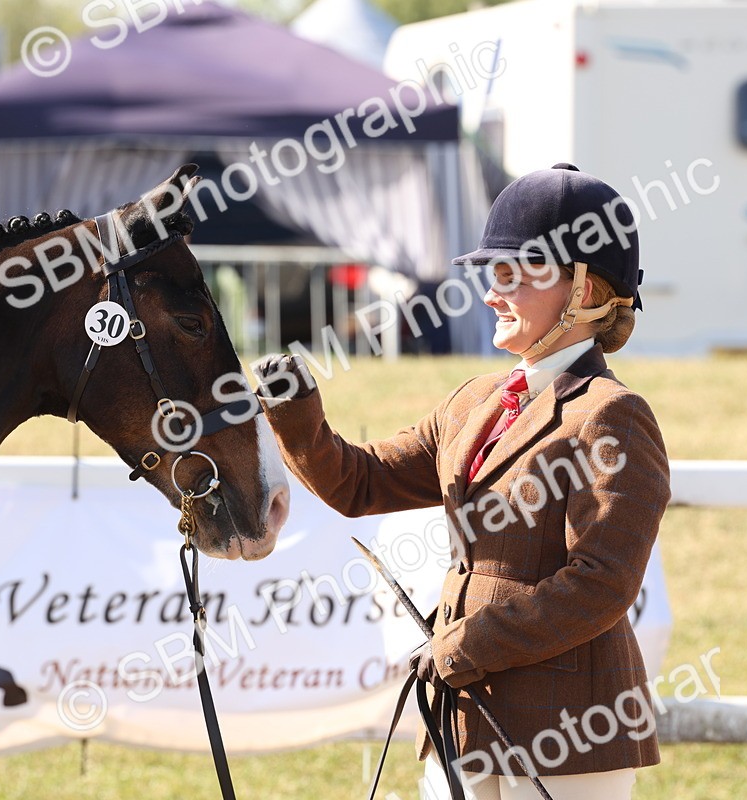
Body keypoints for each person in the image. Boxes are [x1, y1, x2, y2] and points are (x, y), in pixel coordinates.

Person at [253, 164, 672, 800]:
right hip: (463, 722)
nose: (491, 293)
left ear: (585, 290)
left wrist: (463, 646)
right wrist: (296, 415)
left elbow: (602, 584)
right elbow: (360, 484)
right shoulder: (473, 403)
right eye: (491, 275)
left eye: (514, 275)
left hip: (570, 730)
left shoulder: (610, 414)